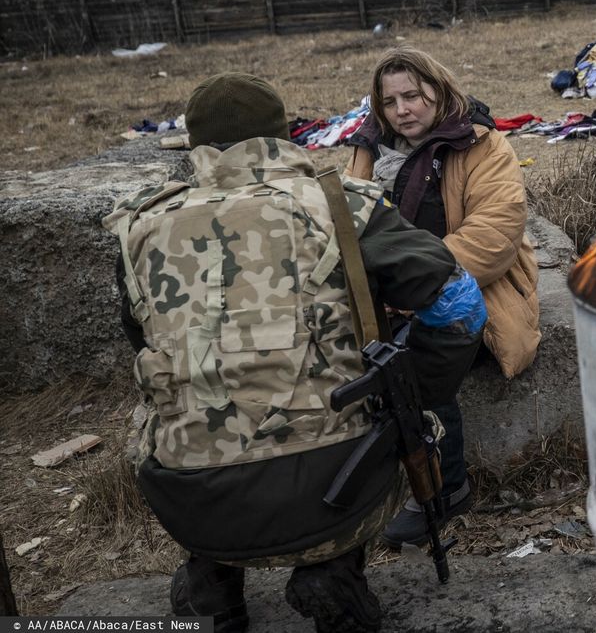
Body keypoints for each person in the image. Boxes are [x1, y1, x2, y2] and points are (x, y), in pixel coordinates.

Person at [104, 73, 485, 633]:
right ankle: (332, 568)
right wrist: (416, 393)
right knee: (394, 426)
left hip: (188, 498)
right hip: (335, 487)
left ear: (197, 148)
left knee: (172, 416)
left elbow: (144, 343)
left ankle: (212, 584)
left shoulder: (140, 227)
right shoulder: (341, 205)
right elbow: (459, 304)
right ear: (283, 136)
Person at [345, 45, 540, 548]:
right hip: (389, 295)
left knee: (410, 363)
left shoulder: (483, 145)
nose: (402, 110)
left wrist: (410, 287)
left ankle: (445, 489)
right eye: (390, 102)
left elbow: (493, 236)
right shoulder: (370, 149)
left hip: (470, 293)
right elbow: (348, 229)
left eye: (412, 96)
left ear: (439, 90)